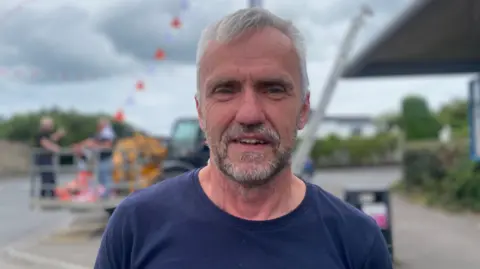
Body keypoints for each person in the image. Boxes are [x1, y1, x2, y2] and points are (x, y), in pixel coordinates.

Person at [94, 8, 392, 269]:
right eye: (226, 89)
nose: (249, 114)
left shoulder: (356, 240)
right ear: (201, 112)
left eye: (273, 88)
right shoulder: (135, 226)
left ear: (303, 110)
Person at [75, 118, 116, 198]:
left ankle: (106, 196)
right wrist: (80, 145)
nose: (98, 127)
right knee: (101, 179)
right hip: (100, 160)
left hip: (105, 160)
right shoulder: (100, 134)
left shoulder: (107, 134)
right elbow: (90, 141)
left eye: (101, 125)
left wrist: (94, 146)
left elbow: (107, 146)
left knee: (105, 179)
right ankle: (104, 196)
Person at [33, 116, 65, 198]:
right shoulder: (41, 134)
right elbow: (46, 144)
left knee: (51, 178)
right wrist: (56, 148)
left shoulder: (47, 134)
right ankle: (45, 197)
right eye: (50, 125)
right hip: (43, 158)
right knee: (46, 178)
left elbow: (51, 139)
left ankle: (51, 196)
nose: (51, 127)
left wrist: (58, 135)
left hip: (48, 158)